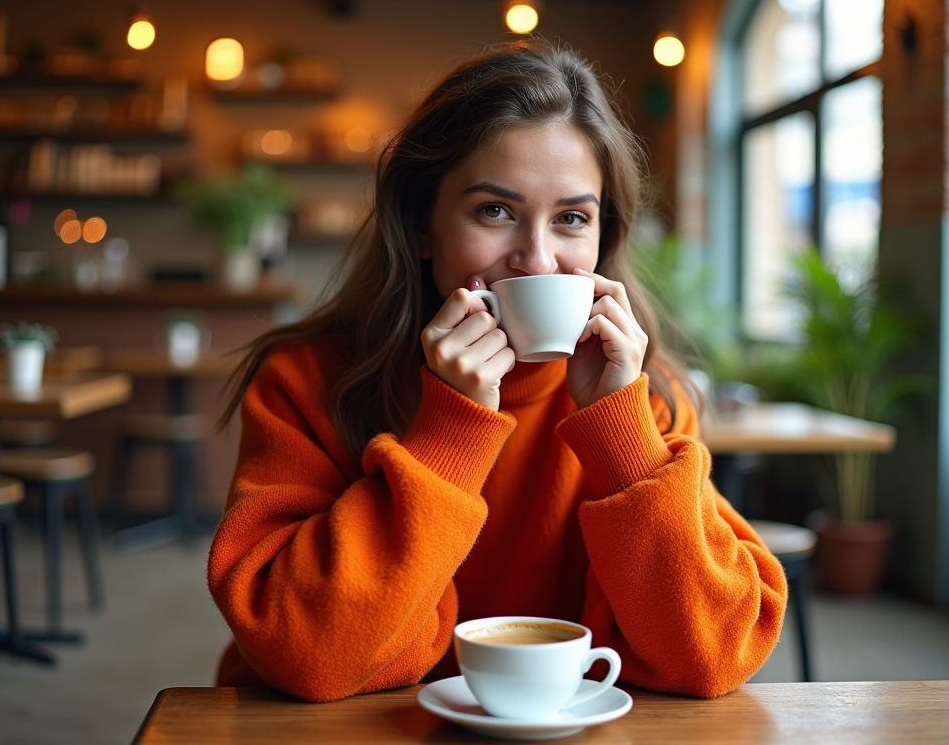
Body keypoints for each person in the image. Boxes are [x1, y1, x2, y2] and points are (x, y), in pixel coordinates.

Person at [207, 39, 787, 703]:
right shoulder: (306, 382)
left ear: (604, 238)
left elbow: (714, 655)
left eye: (572, 218)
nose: (538, 259)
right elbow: (303, 653)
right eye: (495, 211)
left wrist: (622, 439)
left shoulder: (647, 400)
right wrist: (449, 433)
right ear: (423, 228)